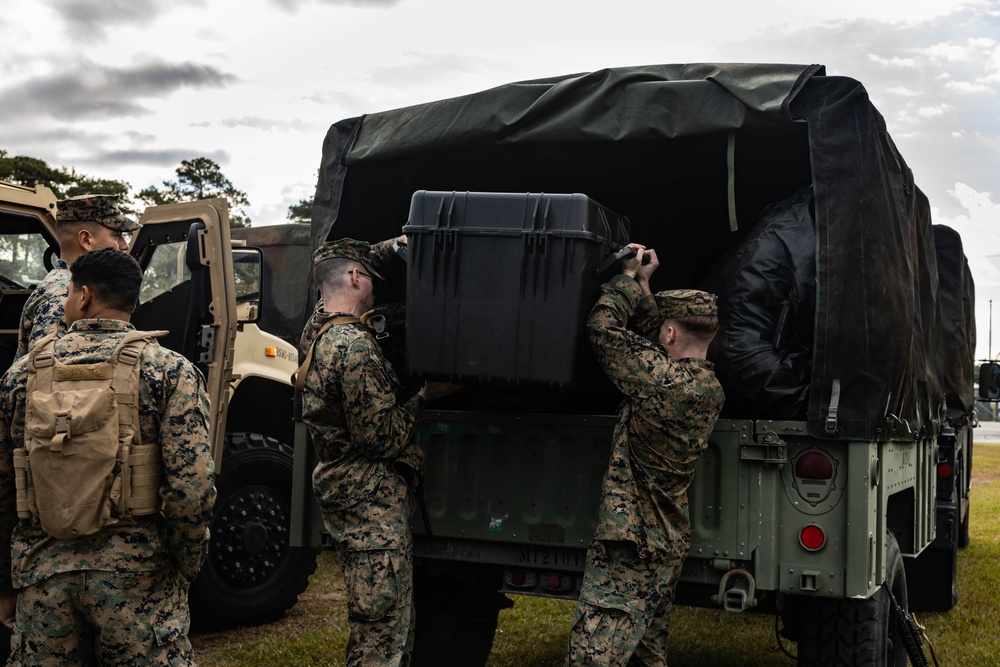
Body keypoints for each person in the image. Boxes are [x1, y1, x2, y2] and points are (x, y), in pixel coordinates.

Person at [0, 247, 216, 665]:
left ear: (82, 296)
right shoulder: (170, 371)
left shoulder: (20, 376)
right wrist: (184, 566)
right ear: (132, 300)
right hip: (138, 576)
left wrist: (6, 583)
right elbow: (192, 489)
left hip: (43, 575)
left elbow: (4, 487)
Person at [298, 236, 459, 667]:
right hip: (370, 506)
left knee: (386, 628)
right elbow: (381, 438)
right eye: (370, 278)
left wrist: (386, 248)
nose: (376, 289)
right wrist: (425, 396)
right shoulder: (355, 347)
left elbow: (328, 270)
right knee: (380, 639)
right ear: (354, 277)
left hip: (346, 496)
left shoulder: (318, 332)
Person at [566, 243, 726, 667]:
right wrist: (645, 282)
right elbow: (657, 341)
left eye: (663, 331)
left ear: (670, 334)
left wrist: (623, 280)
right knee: (644, 655)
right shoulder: (709, 389)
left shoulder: (660, 381)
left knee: (592, 656)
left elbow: (602, 329)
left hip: (631, 545)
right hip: (666, 541)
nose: (658, 334)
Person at [15, 193, 139, 360]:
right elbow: (48, 375)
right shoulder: (65, 296)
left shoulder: (71, 287)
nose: (125, 245)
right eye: (116, 236)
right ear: (86, 240)